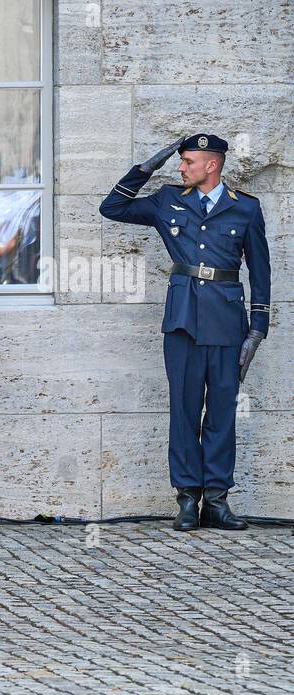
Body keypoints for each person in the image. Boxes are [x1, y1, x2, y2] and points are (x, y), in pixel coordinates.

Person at [100, 133, 270, 531]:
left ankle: (217, 499)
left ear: (212, 165)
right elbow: (113, 207)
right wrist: (147, 167)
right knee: (184, 410)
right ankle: (187, 499)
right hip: (183, 320)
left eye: (188, 162)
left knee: (222, 413)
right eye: (179, 162)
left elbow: (261, 271)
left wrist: (258, 328)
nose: (181, 168)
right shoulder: (167, 200)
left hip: (228, 323)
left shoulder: (244, 208)